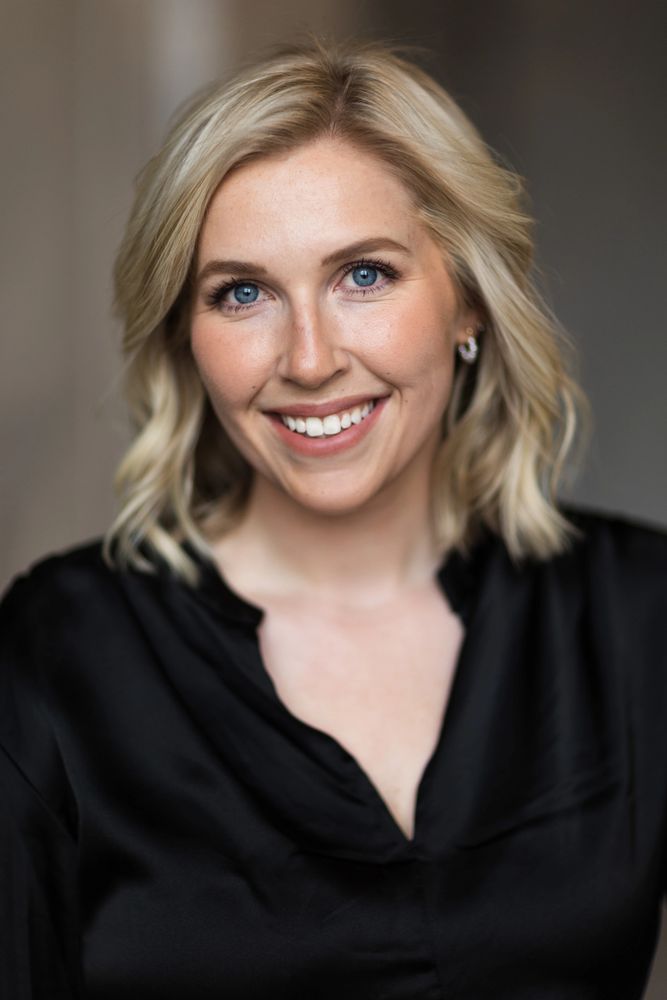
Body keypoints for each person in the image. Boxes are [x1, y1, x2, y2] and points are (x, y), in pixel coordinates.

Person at [1, 36, 666, 1000]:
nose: (309, 359)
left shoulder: (637, 617)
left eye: (363, 275)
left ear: (468, 302)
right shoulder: (54, 659)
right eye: (242, 292)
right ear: (187, 340)